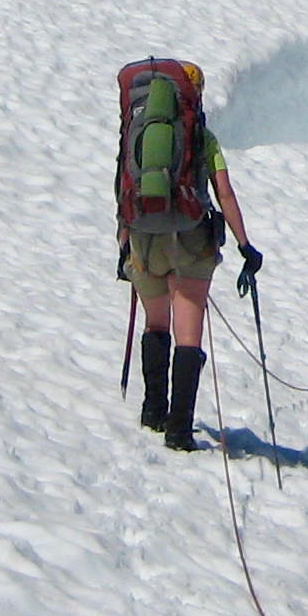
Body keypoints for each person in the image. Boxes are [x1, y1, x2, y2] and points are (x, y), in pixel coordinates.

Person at [116, 60, 260, 451]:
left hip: (144, 238)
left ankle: (153, 410)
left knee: (156, 323)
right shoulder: (201, 138)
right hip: (192, 240)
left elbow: (124, 189)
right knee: (188, 333)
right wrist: (245, 246)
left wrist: (123, 244)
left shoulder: (136, 131)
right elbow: (224, 194)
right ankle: (179, 430)